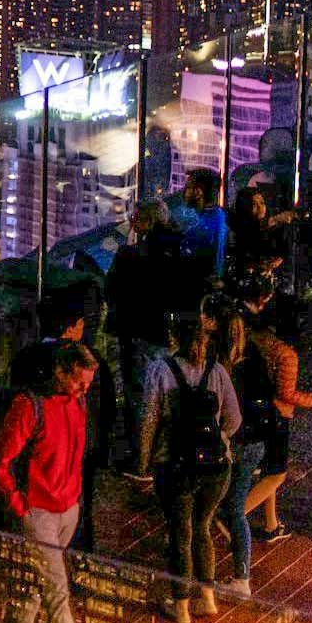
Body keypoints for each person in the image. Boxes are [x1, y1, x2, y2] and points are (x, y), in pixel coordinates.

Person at [0, 341, 98, 623]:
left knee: (36, 586)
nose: (84, 389)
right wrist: (19, 505)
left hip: (66, 508)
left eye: (88, 384)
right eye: (79, 381)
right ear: (59, 372)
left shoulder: (77, 401)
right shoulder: (29, 406)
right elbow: (1, 462)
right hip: (40, 512)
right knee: (56, 594)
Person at [132, 312, 240, 623]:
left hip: (174, 464)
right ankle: (207, 599)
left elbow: (149, 422)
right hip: (216, 467)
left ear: (174, 338)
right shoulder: (217, 371)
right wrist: (214, 438)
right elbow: (234, 420)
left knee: (180, 533)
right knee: (203, 527)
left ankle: (180, 608)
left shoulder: (160, 371)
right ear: (205, 340)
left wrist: (143, 465)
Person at [9, 287, 116, 551]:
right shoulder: (89, 361)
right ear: (71, 326)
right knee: (78, 510)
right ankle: (74, 559)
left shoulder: (25, 358)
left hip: (34, 455)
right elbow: (105, 409)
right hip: (79, 453)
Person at [234, 281, 312, 545]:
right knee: (277, 473)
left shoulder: (257, 338)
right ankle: (234, 516)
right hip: (276, 417)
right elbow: (286, 393)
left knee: (268, 469)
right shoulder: (287, 354)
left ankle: (271, 523)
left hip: (251, 409)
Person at [107, 201, 187, 470]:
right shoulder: (180, 250)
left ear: (147, 223)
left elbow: (112, 291)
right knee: (164, 393)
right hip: (166, 334)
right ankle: (162, 453)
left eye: (135, 219)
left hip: (137, 333)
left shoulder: (130, 256)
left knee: (139, 396)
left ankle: (140, 457)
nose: (132, 222)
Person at [209, 297, 269, 599]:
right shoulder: (255, 357)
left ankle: (232, 576)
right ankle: (240, 574)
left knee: (215, 505)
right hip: (255, 442)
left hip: (231, 442)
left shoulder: (218, 365)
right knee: (236, 509)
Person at [175, 168, 229, 278]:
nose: (184, 191)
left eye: (188, 187)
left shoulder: (215, 218)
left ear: (198, 192)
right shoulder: (196, 214)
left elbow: (217, 255)